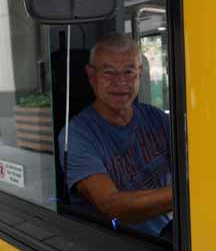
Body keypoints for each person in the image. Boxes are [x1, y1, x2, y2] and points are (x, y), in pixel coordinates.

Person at [59, 34, 172, 237]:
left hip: (171, 232)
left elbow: (191, 164)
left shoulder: (156, 118)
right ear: (91, 76)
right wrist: (191, 192)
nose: (121, 83)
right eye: (109, 73)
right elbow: (112, 206)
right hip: (121, 249)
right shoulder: (76, 135)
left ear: (140, 73)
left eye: (129, 72)